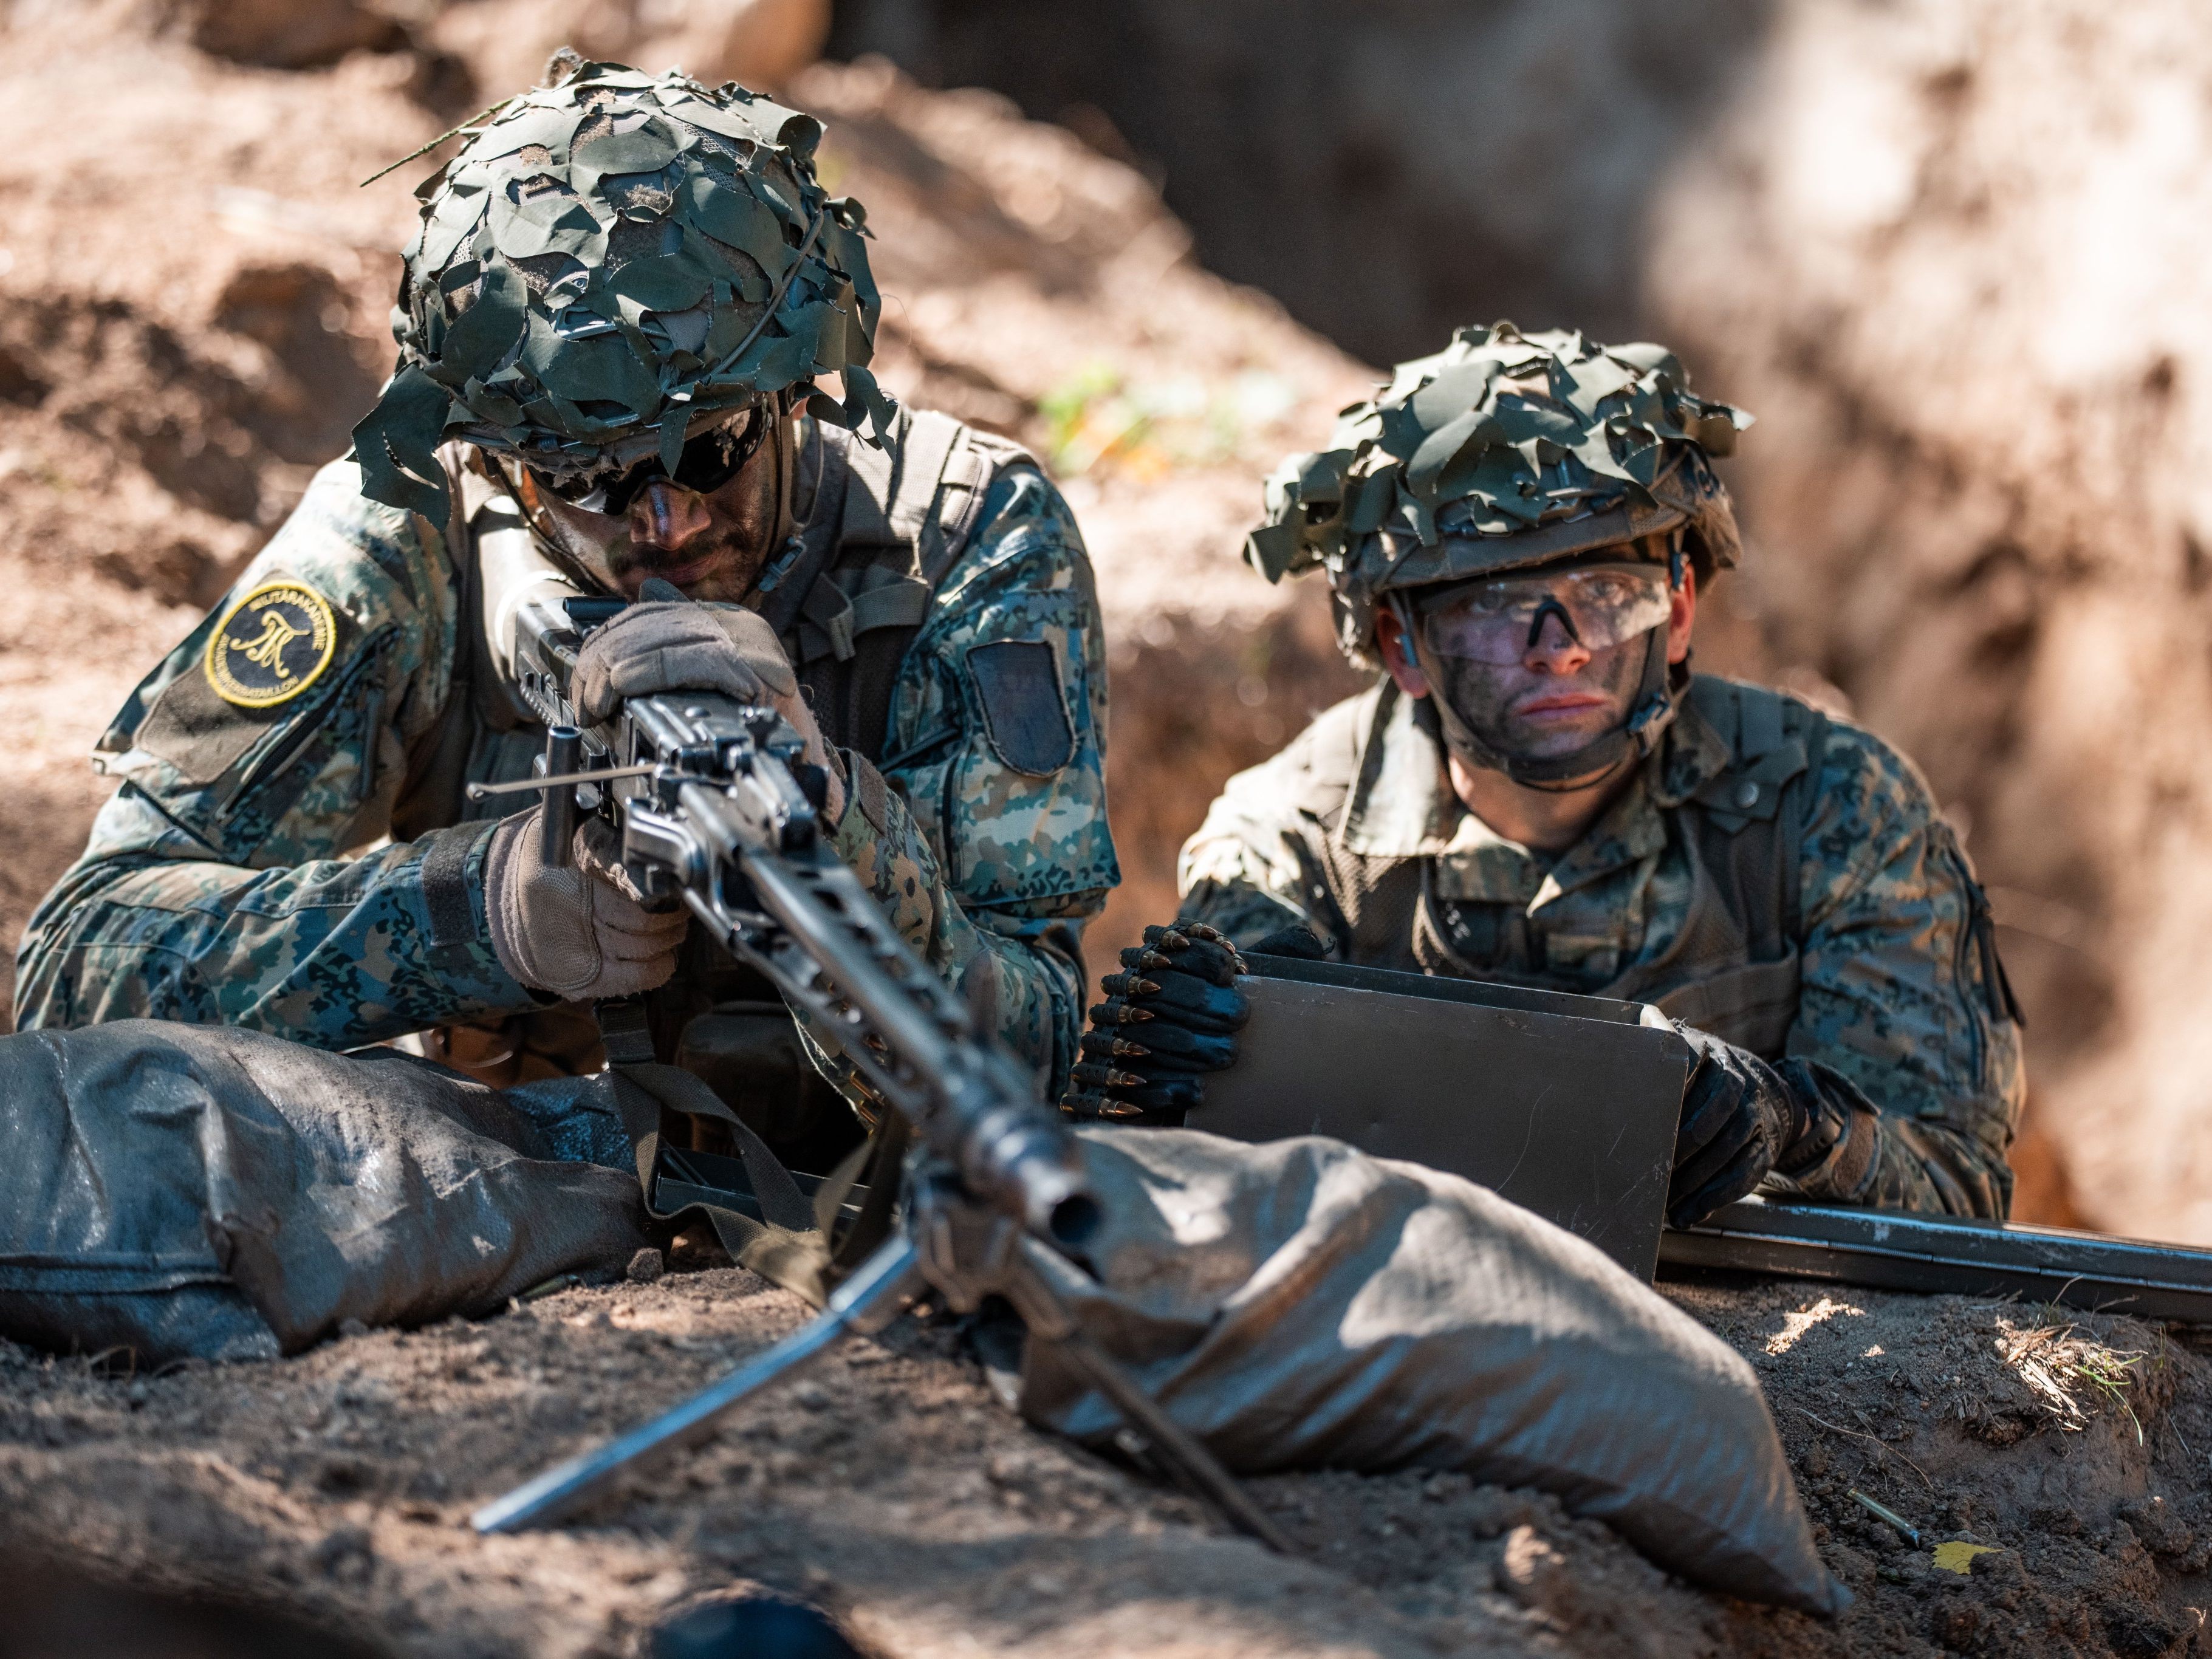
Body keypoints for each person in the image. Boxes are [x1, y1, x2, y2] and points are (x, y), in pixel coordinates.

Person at [12, 60, 1117, 1168]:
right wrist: (475, 914)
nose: (667, 524)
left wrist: (840, 837)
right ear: (493, 458)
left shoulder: (963, 536)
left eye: (712, 449)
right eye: (585, 479)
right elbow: (75, 969)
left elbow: (1047, 1058)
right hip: (509, 1189)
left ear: (794, 389)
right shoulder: (410, 535)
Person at [1066, 323, 2024, 1227]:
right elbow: (1202, 1169)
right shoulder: (1292, 838)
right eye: (1493, 612)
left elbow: (1959, 1187)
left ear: (1680, 611)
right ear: (1401, 645)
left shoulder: (1833, 806)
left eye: (1608, 597)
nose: (1560, 653)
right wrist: (1199, 1063)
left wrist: (1794, 1128)